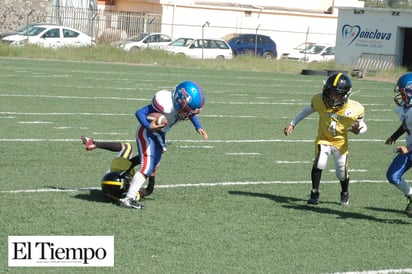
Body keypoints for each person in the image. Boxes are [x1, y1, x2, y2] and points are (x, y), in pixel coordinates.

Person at [119, 80, 208, 209]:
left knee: (155, 164)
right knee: (147, 167)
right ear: (178, 102)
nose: (188, 115)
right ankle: (129, 198)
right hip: (146, 133)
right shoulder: (165, 105)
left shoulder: (181, 107)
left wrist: (197, 126)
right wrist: (149, 126)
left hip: (159, 135)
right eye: (186, 111)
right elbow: (139, 112)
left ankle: (126, 172)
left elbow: (191, 114)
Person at [283, 72, 367, 206]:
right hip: (324, 138)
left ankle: (344, 192)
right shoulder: (319, 100)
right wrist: (293, 123)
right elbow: (307, 110)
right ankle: (314, 192)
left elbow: (363, 126)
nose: (333, 97)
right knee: (320, 162)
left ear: (346, 95)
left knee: (341, 172)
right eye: (330, 93)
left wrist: (359, 131)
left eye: (337, 94)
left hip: (340, 143)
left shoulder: (355, 108)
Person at [81, 136, 156, 202]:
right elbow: (148, 191)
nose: (129, 181)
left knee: (127, 146)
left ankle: (94, 143)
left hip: (112, 175)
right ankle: (94, 143)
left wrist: (149, 158)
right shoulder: (129, 194)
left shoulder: (127, 192)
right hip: (109, 179)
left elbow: (148, 190)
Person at [385, 72, 412, 216]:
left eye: (403, 93)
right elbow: (406, 124)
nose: (401, 97)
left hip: (410, 149)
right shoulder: (406, 107)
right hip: (409, 149)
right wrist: (395, 136)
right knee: (393, 175)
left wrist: (407, 148)